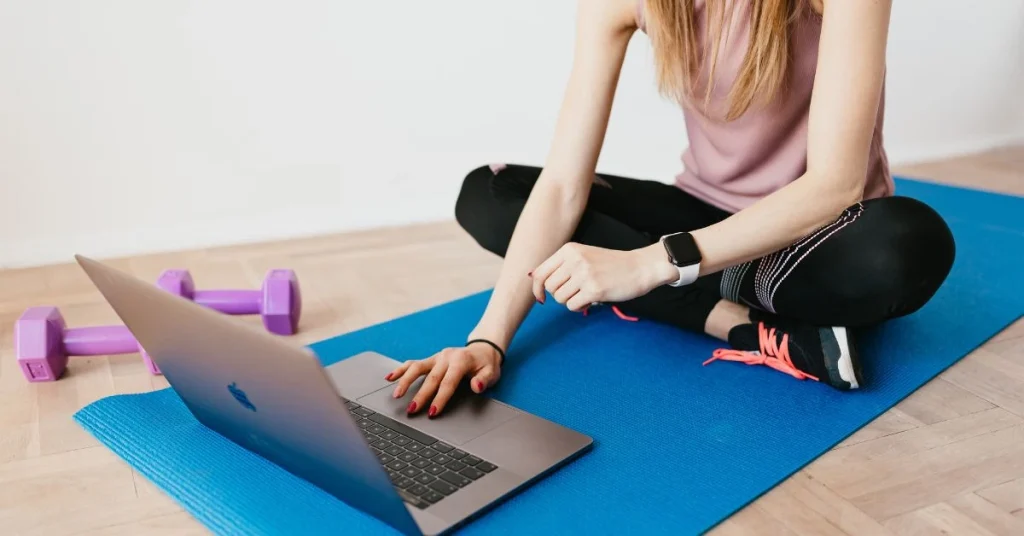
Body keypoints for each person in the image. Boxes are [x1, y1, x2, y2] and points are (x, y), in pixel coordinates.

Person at [387, 0, 955, 417]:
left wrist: (651, 264)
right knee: (488, 193)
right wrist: (486, 340)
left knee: (907, 245)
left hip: (818, 234)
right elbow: (562, 185)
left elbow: (834, 185)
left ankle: (700, 285)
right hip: (702, 215)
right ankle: (733, 319)